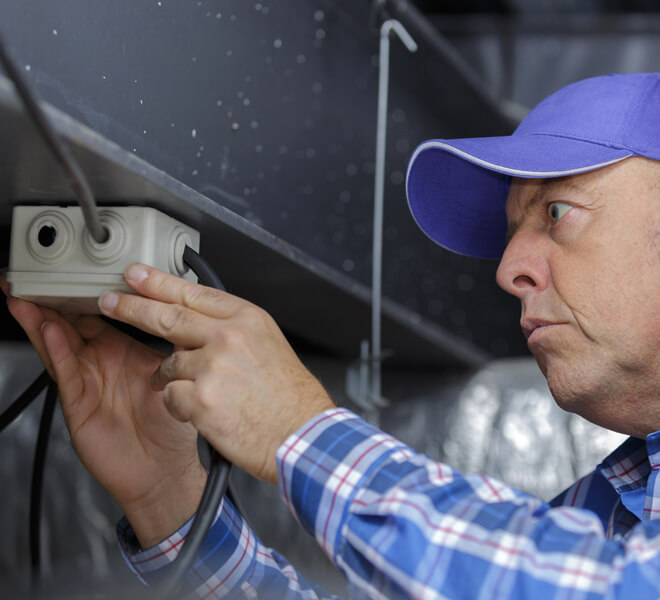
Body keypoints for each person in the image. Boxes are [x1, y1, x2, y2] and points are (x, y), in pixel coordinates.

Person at [5, 71, 660, 599]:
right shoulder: (617, 504)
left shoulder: (616, 557)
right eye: (514, 230)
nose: (509, 267)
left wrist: (300, 427)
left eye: (556, 211)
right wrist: (169, 499)